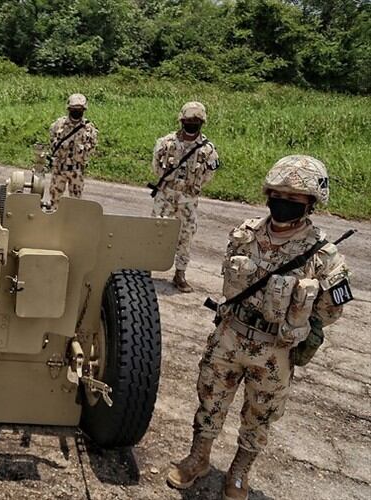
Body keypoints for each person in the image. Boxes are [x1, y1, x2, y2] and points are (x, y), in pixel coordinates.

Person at [166, 155, 352, 500]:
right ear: (268, 194)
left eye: (294, 200)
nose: (283, 204)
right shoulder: (244, 234)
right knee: (209, 399)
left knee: (261, 412)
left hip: (274, 349)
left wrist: (296, 319)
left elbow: (330, 310)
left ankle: (239, 472)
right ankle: (198, 458)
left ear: (311, 204)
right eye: (278, 196)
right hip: (230, 334)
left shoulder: (323, 255)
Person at [151, 101, 220, 292]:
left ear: (202, 122)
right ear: (182, 120)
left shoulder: (208, 150)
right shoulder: (166, 143)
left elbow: (208, 175)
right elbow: (156, 167)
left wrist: (190, 188)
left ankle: (180, 274)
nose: (192, 123)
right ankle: (146, 269)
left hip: (189, 200)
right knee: (155, 231)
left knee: (186, 236)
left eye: (196, 120)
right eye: (189, 119)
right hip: (165, 195)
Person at [47, 93, 98, 208]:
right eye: (74, 109)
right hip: (59, 169)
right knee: (54, 202)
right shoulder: (59, 125)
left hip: (77, 170)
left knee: (75, 205)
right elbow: (52, 141)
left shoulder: (88, 128)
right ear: (69, 109)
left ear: (84, 110)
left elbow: (92, 146)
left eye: (79, 109)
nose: (77, 111)